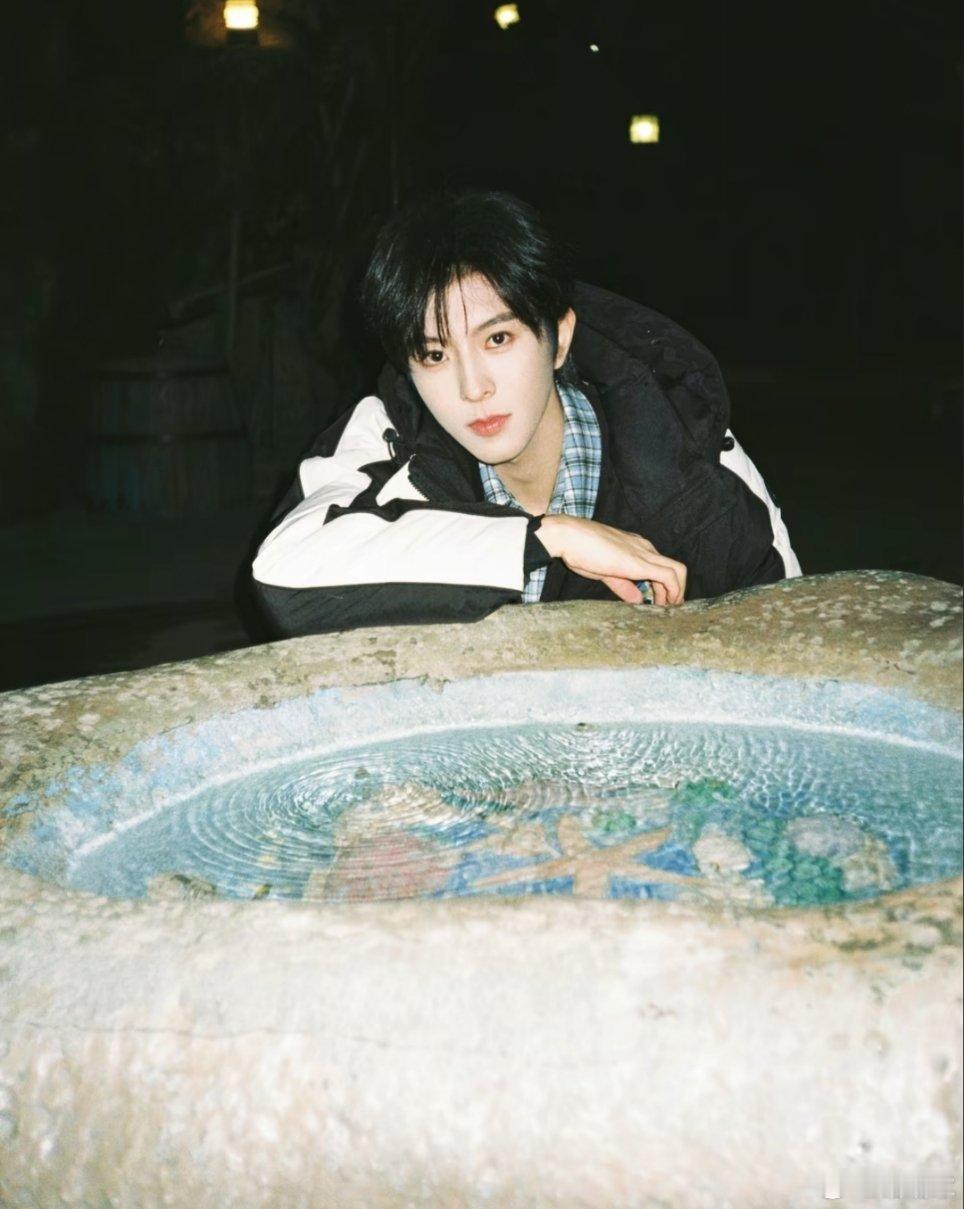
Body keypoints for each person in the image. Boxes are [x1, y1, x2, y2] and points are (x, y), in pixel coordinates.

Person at [250, 189, 800, 638]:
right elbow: (282, 575)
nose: (473, 388)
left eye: (498, 339)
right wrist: (544, 539)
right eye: (435, 355)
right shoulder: (389, 433)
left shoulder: (685, 444)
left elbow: (791, 628)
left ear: (559, 338)